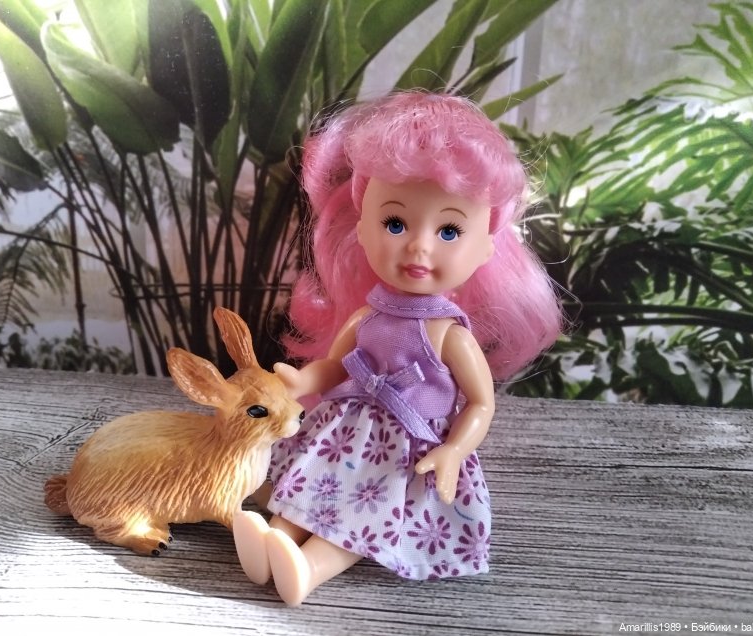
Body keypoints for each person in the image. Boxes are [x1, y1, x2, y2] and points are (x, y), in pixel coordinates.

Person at [232, 91, 562, 606]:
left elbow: (480, 403)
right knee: (310, 488)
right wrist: (303, 380)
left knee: (360, 516)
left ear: (485, 248)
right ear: (362, 228)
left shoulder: (450, 335)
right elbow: (336, 364)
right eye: (395, 223)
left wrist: (454, 449)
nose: (419, 245)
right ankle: (273, 540)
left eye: (449, 229)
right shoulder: (368, 315)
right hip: (346, 430)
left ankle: (308, 569)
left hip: (409, 448)